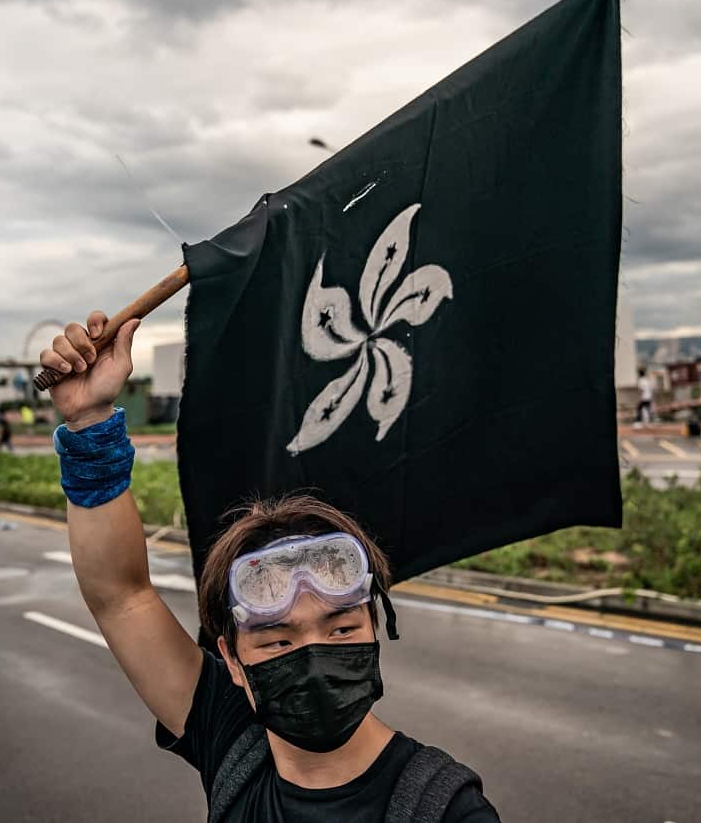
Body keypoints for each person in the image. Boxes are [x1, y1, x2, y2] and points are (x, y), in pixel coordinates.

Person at [41, 312, 501, 823]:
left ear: (375, 628)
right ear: (233, 662)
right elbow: (120, 597)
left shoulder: (446, 811)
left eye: (342, 629)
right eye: (278, 642)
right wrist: (88, 423)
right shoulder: (231, 739)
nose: (313, 658)